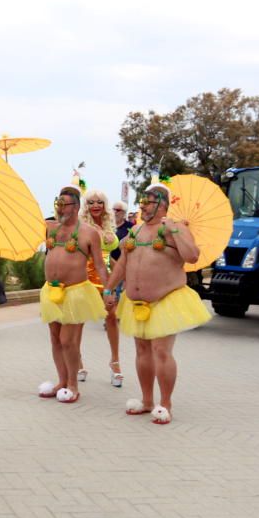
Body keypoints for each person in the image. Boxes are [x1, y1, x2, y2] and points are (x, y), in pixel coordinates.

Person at [104, 179, 209, 425]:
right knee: (142, 350)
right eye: (142, 202)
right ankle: (147, 400)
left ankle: (166, 403)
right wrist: (109, 289)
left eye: (148, 202)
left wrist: (173, 229)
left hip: (166, 299)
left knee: (161, 351)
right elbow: (122, 264)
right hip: (136, 302)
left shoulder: (174, 228)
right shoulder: (136, 231)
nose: (143, 207)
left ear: (162, 204)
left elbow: (192, 256)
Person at [38, 180, 108, 403]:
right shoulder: (49, 228)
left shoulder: (89, 233)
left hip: (76, 292)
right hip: (51, 291)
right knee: (55, 339)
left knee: (68, 340)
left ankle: (73, 385)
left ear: (76, 207)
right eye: (58, 203)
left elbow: (99, 265)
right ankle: (62, 380)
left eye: (65, 204)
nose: (60, 208)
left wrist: (109, 290)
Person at [78, 189, 122, 387]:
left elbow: (112, 258)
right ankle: (77, 362)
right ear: (85, 205)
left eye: (100, 202)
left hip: (104, 280)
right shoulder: (80, 227)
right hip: (82, 278)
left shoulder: (108, 228)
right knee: (77, 321)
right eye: (91, 202)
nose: (95, 205)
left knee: (111, 318)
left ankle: (115, 362)